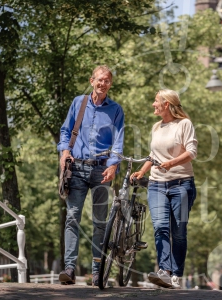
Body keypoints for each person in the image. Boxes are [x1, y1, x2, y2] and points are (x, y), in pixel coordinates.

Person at [57, 65, 124, 286]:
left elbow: (118, 142)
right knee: (72, 217)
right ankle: (69, 269)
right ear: (91, 80)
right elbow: (66, 130)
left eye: (107, 81)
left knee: (99, 223)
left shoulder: (115, 110)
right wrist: (64, 152)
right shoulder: (79, 103)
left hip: (102, 170)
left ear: (110, 84)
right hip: (77, 169)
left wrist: (113, 165)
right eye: (99, 80)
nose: (103, 83)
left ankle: (97, 271)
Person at [130, 89, 197, 289]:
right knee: (160, 227)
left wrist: (171, 163)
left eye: (156, 101)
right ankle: (164, 271)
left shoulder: (184, 124)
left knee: (178, 232)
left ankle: (176, 274)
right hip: (157, 184)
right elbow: (153, 154)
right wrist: (142, 171)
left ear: (166, 104)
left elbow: (192, 151)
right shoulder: (156, 127)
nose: (153, 104)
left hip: (182, 184)